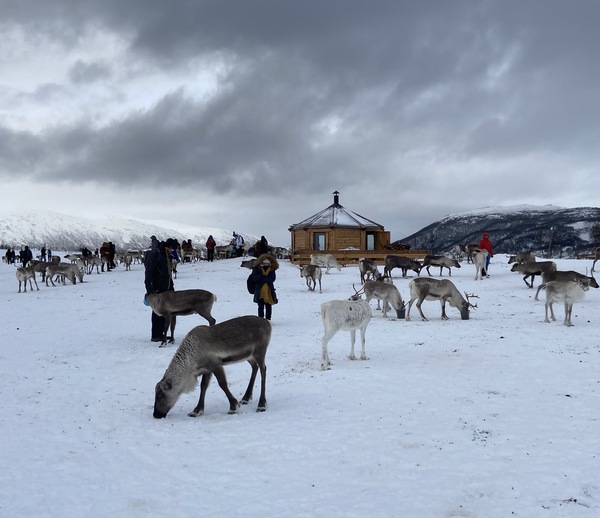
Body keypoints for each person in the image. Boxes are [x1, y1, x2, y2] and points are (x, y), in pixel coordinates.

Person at [144, 239, 175, 342]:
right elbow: (149, 271)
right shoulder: (156, 255)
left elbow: (168, 274)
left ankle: (161, 333)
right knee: (157, 312)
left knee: (165, 312)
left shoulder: (166, 256)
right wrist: (149, 288)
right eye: (170, 248)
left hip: (166, 289)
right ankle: (155, 334)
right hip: (156, 288)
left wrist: (171, 287)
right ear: (166, 246)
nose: (171, 250)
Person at [250, 253, 278, 320]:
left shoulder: (271, 269)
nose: (266, 264)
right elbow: (254, 278)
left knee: (268, 305)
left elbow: (272, 279)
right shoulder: (257, 269)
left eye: (267, 263)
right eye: (264, 263)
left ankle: (268, 319)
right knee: (260, 306)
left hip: (269, 290)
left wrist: (262, 278)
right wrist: (264, 278)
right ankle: (260, 319)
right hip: (259, 290)